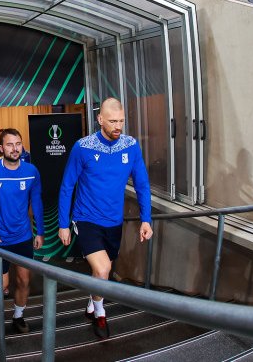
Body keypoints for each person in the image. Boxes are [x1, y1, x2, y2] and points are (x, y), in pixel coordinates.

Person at [58, 97, 153, 340]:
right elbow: (67, 186)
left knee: (103, 273)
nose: (117, 126)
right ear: (100, 119)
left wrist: (146, 219)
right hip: (86, 218)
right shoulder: (83, 146)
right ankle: (99, 313)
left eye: (121, 121)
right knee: (103, 269)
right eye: (112, 121)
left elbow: (142, 184)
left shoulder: (130, 146)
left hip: (114, 222)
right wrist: (63, 224)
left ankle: (92, 299)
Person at [0, 128, 45, 335]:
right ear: (1, 147)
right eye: (10, 144)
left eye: (18, 144)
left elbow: (36, 201)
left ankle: (18, 316)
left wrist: (40, 231)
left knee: (24, 280)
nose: (15, 149)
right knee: (1, 285)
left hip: (22, 236)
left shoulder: (31, 171)